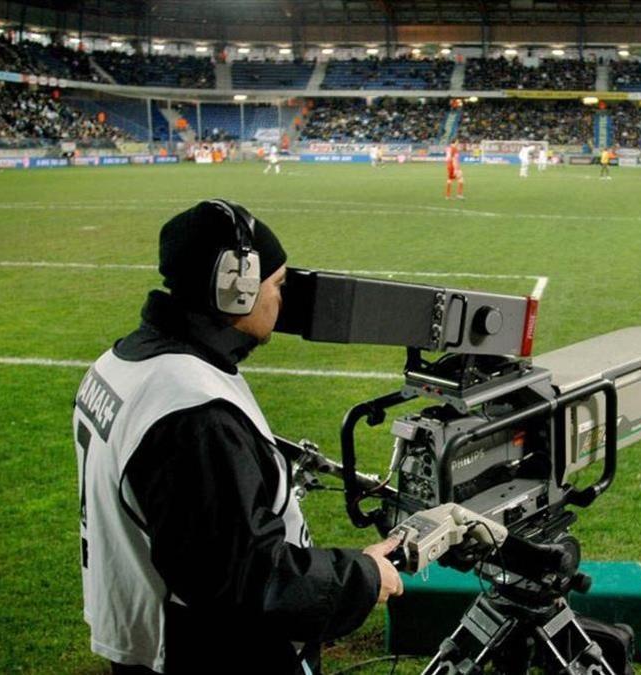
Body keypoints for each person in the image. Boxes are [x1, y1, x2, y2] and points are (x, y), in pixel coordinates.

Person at [73, 200, 403, 675]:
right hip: (203, 654)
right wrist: (364, 577)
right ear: (236, 287)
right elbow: (248, 577)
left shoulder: (122, 362)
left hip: (146, 635)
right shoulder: (193, 412)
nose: (281, 301)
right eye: (277, 284)